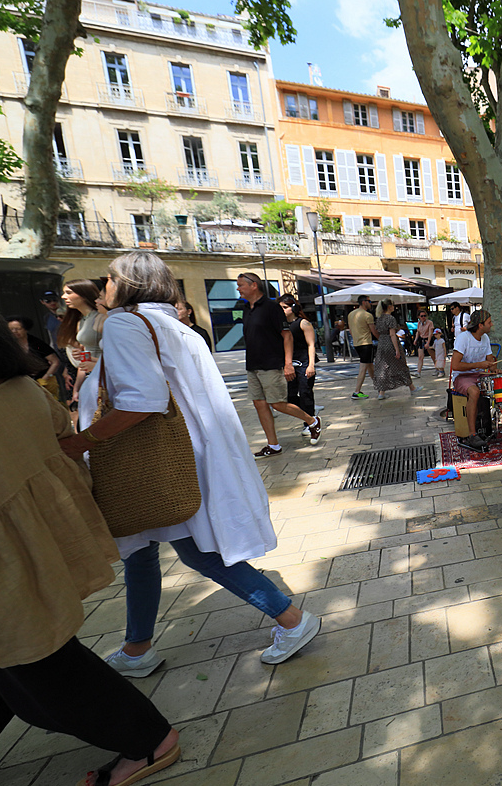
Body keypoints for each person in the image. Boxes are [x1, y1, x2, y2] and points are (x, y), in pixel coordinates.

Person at [58, 252, 321, 679]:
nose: (103, 285)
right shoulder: (174, 327)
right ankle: (137, 645)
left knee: (193, 551)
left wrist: (81, 441)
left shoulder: (128, 324)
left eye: (109, 278)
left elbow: (143, 400)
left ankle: (291, 618)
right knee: (142, 551)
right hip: (186, 455)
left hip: (156, 461)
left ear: (126, 284)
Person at [0, 310, 182, 786]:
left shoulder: (121, 325)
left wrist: (93, 433)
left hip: (14, 570)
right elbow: (62, 440)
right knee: (28, 660)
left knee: (37, 659)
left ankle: (148, 738)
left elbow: (141, 401)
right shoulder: (22, 391)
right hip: (33, 553)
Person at [237, 273, 322, 456]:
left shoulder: (271, 308)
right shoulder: (245, 308)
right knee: (259, 404)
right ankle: (273, 445)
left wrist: (288, 363)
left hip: (271, 363)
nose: (238, 288)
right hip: (253, 364)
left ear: (254, 286)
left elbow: (287, 336)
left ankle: (312, 421)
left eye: (241, 285)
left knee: (277, 403)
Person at [451, 309, 496, 451]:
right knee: (474, 392)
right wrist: (479, 365)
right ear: (480, 325)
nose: (492, 324)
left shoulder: (485, 338)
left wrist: (494, 368)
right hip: (462, 377)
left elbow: (489, 360)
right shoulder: (464, 338)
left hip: (480, 375)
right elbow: (455, 365)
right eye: (489, 322)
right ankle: (472, 434)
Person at [58, 279, 106, 410]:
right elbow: (84, 358)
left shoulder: (101, 318)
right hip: (90, 378)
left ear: (83, 294)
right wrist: (78, 387)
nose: (63, 297)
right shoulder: (81, 321)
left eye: (68, 292)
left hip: (103, 377)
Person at [277, 294, 318, 420]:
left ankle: (310, 422)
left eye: (285, 307)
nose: (283, 311)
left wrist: (311, 365)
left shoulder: (303, 323)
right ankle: (309, 412)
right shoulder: (280, 325)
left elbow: (311, 345)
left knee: (305, 392)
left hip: (304, 362)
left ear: (293, 308)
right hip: (289, 364)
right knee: (290, 396)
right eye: (280, 308)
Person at [6, 316, 62, 397]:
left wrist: (46, 377)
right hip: (23, 383)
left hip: (43, 381)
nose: (14, 331)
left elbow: (55, 362)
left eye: (18, 328)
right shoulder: (9, 346)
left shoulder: (37, 344)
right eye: (11, 329)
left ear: (26, 329)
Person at [373, 299, 415, 398]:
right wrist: (397, 349)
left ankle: (381, 393)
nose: (394, 307)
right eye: (393, 305)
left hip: (381, 343)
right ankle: (412, 388)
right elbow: (392, 334)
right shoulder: (390, 318)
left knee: (383, 368)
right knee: (400, 365)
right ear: (389, 307)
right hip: (390, 343)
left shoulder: (379, 318)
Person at [348, 296, 378, 398]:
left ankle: (378, 386)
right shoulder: (367, 315)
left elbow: (351, 330)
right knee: (363, 368)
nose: (371, 303)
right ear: (364, 302)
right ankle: (357, 391)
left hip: (357, 344)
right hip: (366, 344)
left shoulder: (351, 314)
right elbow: (374, 331)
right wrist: (381, 339)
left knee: (370, 365)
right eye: (369, 301)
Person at [413, 309, 445, 378]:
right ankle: (418, 372)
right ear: (419, 317)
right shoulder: (419, 323)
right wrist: (415, 339)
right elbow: (418, 332)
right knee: (420, 357)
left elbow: (430, 333)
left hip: (428, 339)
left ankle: (438, 369)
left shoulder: (430, 323)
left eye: (425, 316)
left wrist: (428, 342)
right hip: (421, 339)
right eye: (422, 316)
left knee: (433, 356)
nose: (423, 317)